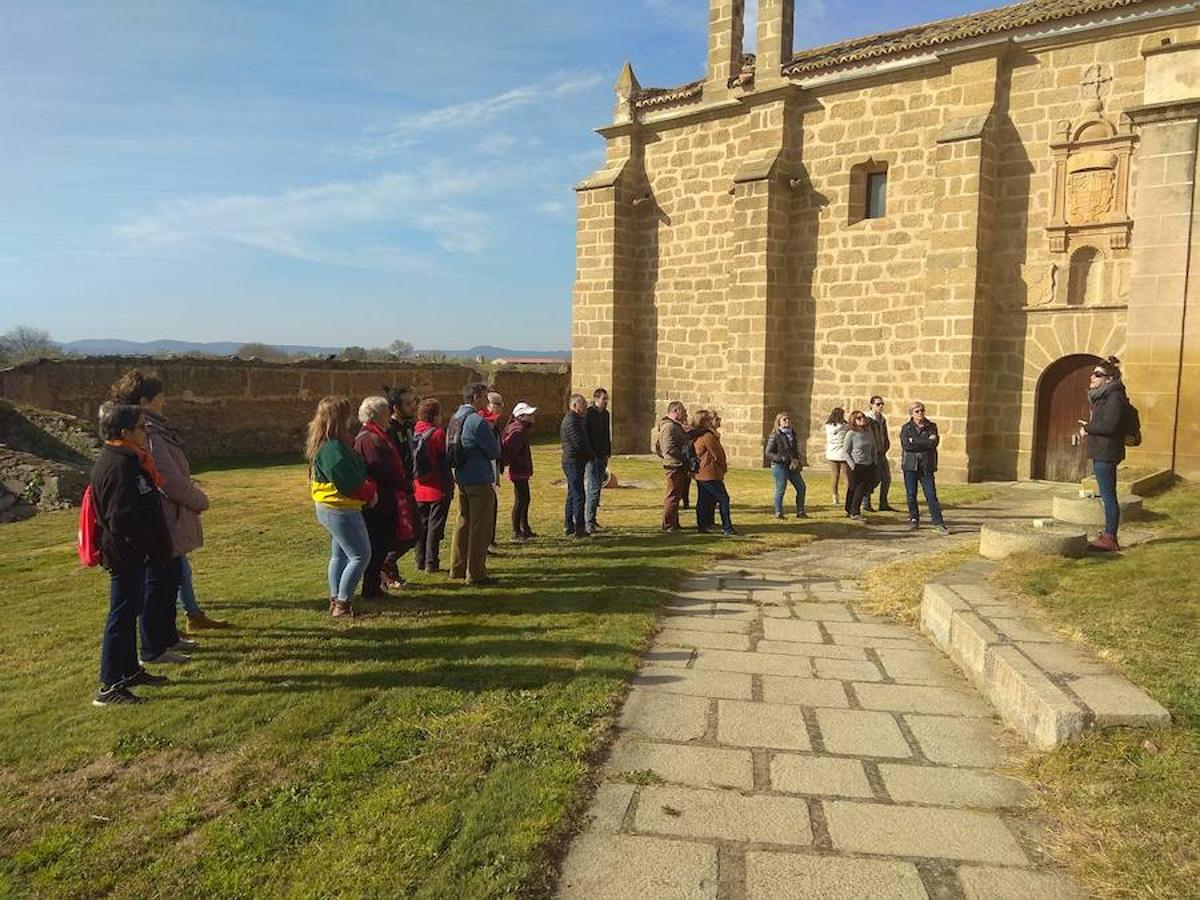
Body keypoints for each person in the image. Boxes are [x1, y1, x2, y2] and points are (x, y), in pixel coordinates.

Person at [110, 369, 226, 636]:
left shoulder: (149, 430)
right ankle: (164, 635)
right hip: (162, 516)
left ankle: (183, 621)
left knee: (175, 569)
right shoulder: (149, 433)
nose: (164, 402)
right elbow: (167, 479)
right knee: (162, 578)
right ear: (144, 402)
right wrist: (198, 499)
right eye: (159, 397)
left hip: (164, 515)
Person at [89, 403, 177, 705]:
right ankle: (109, 685)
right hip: (126, 554)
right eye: (141, 427)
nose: (146, 432)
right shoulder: (118, 465)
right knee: (121, 617)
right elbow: (121, 518)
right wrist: (148, 546)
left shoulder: (130, 460)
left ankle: (129, 670)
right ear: (124, 432)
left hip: (136, 554)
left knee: (130, 612)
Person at [306, 396, 378, 617]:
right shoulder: (333, 448)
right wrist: (369, 493)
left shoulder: (328, 444)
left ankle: (336, 598)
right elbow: (347, 481)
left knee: (340, 555)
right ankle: (342, 603)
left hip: (332, 507)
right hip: (339, 507)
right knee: (360, 556)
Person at [354, 396, 409, 599]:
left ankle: (373, 586)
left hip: (384, 497)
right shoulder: (370, 438)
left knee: (382, 543)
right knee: (378, 544)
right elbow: (380, 469)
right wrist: (402, 483)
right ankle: (371, 588)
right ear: (377, 416)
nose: (389, 418)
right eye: (386, 414)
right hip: (379, 500)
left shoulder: (376, 435)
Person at [448, 382, 502, 584]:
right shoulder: (476, 421)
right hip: (478, 478)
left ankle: (457, 568)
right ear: (476, 397)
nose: (487, 402)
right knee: (480, 527)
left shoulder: (455, 417)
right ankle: (476, 573)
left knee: (462, 522)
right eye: (484, 397)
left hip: (461, 476)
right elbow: (494, 451)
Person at [1080, 356, 1131, 552]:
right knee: (1106, 495)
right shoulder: (1104, 396)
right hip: (1102, 450)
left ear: (1109, 379)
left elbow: (1110, 426)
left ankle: (1110, 538)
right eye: (1093, 374)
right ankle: (1109, 534)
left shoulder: (1114, 397)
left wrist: (1089, 428)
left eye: (1098, 374)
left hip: (1107, 451)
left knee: (1109, 496)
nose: (1092, 377)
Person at [383, 386, 419, 588]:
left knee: (415, 532)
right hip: (396, 489)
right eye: (408, 403)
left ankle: (387, 565)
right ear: (396, 408)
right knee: (404, 532)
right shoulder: (390, 430)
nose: (413, 406)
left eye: (414, 402)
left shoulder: (409, 426)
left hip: (409, 485)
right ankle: (387, 567)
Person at [413, 397, 453, 572]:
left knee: (422, 524)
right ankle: (432, 562)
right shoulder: (438, 434)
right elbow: (446, 457)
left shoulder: (415, 432)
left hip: (419, 486)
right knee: (434, 527)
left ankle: (420, 560)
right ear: (436, 415)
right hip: (437, 486)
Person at [899, 401, 949, 535]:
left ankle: (938, 522)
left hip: (926, 466)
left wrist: (915, 442)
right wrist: (925, 442)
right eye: (917, 411)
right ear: (912, 414)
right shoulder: (906, 428)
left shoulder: (931, 426)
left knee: (931, 495)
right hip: (910, 465)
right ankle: (914, 518)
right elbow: (907, 446)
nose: (920, 413)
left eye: (922, 410)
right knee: (911, 494)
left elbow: (933, 443)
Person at [692, 410, 737, 536]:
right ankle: (727, 527)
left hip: (702, 473)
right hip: (709, 473)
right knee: (723, 498)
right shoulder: (707, 436)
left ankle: (703, 525)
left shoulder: (699, 435)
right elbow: (717, 454)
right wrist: (723, 466)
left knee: (704, 500)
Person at [561, 394, 596, 538]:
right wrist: (591, 455)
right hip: (573, 461)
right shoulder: (571, 421)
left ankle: (569, 525)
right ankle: (579, 528)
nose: (586, 408)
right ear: (575, 406)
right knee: (578, 494)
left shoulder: (577, 420)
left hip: (576, 461)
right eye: (583, 405)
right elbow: (578, 443)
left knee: (572, 493)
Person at [502, 402, 538, 541]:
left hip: (521, 471)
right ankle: (516, 530)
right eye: (529, 415)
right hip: (518, 472)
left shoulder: (521, 429)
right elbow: (512, 454)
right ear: (521, 416)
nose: (533, 417)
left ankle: (525, 527)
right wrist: (524, 464)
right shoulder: (517, 431)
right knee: (521, 500)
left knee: (525, 499)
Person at [765, 411, 807, 519]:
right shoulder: (775, 435)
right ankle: (779, 512)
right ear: (779, 422)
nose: (787, 421)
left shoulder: (792, 433)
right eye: (784, 419)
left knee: (801, 487)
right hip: (779, 466)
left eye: (788, 419)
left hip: (791, 465)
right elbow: (768, 453)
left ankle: (800, 511)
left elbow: (794, 450)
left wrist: (798, 459)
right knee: (781, 489)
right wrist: (781, 458)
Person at [656, 401, 690, 532]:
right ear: (675, 411)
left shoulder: (675, 426)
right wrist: (683, 457)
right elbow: (668, 448)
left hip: (678, 464)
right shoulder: (668, 426)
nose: (685, 413)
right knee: (673, 496)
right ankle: (668, 524)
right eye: (683, 410)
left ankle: (674, 523)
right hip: (674, 465)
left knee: (677, 495)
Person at [584, 388, 611, 534]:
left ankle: (593, 519)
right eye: (603, 399)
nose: (606, 402)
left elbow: (606, 435)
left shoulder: (606, 415)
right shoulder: (589, 414)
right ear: (596, 399)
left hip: (602, 456)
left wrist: (607, 453)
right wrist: (591, 455)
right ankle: (588, 522)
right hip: (592, 457)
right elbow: (586, 436)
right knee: (592, 489)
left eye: (607, 399)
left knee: (598, 489)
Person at [842, 410, 877, 520]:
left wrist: (874, 461)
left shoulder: (868, 432)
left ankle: (853, 510)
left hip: (867, 464)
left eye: (863, 417)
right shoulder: (851, 434)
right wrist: (852, 465)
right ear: (853, 421)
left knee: (861, 488)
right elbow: (845, 451)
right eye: (858, 418)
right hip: (855, 464)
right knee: (853, 488)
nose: (862, 419)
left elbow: (873, 448)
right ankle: (852, 510)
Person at [482, 391, 505, 552]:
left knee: (492, 506)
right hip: (484, 473)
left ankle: (490, 539)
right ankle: (486, 542)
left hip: (492, 471)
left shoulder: (494, 424)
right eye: (497, 404)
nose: (500, 408)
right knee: (487, 508)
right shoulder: (484, 424)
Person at [863, 395, 894, 513]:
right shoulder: (868, 419)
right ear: (871, 405)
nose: (880, 406)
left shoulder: (882, 419)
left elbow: (884, 435)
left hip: (881, 453)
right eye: (878, 404)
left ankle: (883, 503)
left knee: (886, 478)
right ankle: (866, 503)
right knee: (872, 479)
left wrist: (886, 446)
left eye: (882, 404)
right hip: (871, 454)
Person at [824, 408, 850, 506]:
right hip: (842, 453)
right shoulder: (845, 426)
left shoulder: (828, 426)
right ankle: (849, 496)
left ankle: (835, 496)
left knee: (835, 475)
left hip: (831, 453)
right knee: (846, 475)